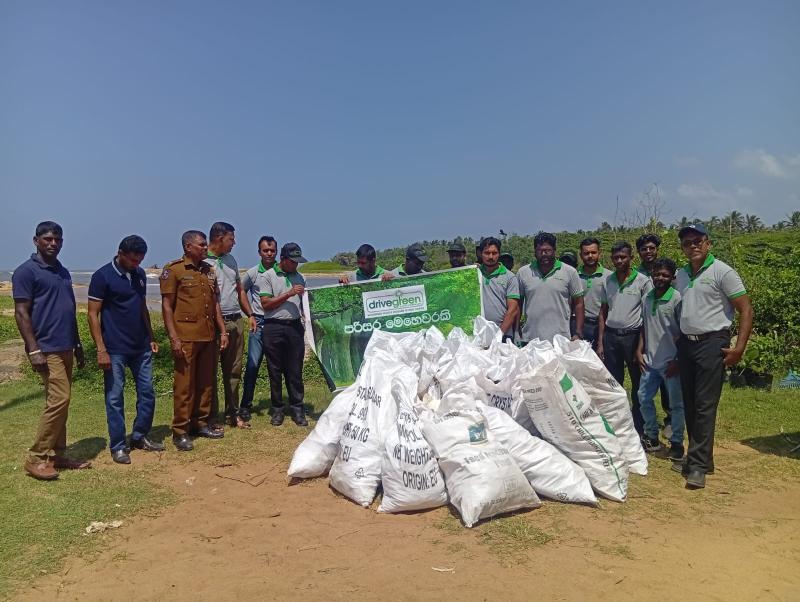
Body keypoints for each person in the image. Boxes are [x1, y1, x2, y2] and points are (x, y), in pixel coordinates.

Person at [674, 224, 753, 489]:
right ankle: (701, 459)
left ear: (708, 243)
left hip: (712, 343)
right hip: (687, 345)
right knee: (690, 403)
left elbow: (745, 308)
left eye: (697, 241)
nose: (693, 246)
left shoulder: (722, 271)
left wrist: (739, 347)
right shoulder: (681, 274)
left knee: (705, 405)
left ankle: (696, 466)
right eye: (687, 243)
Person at [12, 221, 89, 480]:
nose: (52, 243)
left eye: (57, 239)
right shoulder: (26, 272)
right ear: (36, 241)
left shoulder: (63, 272)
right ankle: (37, 457)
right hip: (47, 348)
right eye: (47, 239)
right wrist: (33, 350)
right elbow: (21, 313)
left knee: (62, 402)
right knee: (59, 399)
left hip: (66, 345)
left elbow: (68, 310)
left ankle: (58, 453)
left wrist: (78, 345)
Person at [87, 235, 163, 464]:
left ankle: (140, 436)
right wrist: (101, 349)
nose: (136, 264)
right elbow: (93, 314)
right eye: (132, 259)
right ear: (120, 253)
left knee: (148, 392)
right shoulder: (102, 276)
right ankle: (119, 446)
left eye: (140, 260)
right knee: (114, 397)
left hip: (140, 347)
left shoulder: (139, 274)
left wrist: (151, 337)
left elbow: (142, 308)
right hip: (115, 349)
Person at [160, 230, 227, 451]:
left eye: (205, 244)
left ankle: (200, 423)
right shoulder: (174, 270)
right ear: (188, 247)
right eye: (201, 245)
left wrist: (223, 331)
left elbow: (215, 303)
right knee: (184, 386)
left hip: (208, 336)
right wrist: (174, 338)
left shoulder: (208, 271)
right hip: (186, 337)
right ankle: (180, 430)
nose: (205, 248)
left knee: (206, 383)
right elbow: (167, 307)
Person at [205, 222, 258, 430]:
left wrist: (250, 314)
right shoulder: (202, 261)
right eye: (231, 239)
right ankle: (212, 417)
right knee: (210, 372)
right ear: (219, 238)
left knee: (234, 371)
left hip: (235, 320)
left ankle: (233, 414)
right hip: (213, 323)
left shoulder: (231, 260)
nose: (234, 242)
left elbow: (240, 290)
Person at [597, 241, 652, 436]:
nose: (619, 261)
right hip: (611, 337)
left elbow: (648, 315)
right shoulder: (608, 281)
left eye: (623, 257)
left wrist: (641, 347)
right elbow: (603, 312)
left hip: (633, 337)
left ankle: (639, 426)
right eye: (615, 258)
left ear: (631, 258)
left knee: (639, 385)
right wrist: (601, 341)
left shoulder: (643, 281)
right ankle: (619, 425)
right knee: (614, 384)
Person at [635, 258, 685, 460]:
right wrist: (639, 351)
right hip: (650, 361)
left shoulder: (677, 299)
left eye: (665, 275)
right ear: (652, 275)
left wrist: (678, 359)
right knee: (643, 398)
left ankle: (677, 443)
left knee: (676, 405)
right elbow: (644, 327)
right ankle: (652, 437)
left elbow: (684, 331)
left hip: (671, 362)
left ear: (672, 277)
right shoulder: (647, 298)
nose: (660, 278)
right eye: (657, 274)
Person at [260, 243, 308, 427]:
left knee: (295, 370)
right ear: (284, 260)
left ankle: (297, 408)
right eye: (293, 262)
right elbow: (266, 304)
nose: (296, 265)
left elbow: (305, 303)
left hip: (294, 327)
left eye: (298, 262)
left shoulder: (301, 277)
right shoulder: (268, 276)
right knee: (275, 370)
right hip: (274, 326)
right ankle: (277, 409)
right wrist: (288, 294)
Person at [517, 232, 584, 344]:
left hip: (561, 340)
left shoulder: (570, 272)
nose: (544, 254)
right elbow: (518, 304)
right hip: (530, 340)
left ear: (554, 250)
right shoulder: (523, 272)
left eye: (548, 250)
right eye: (540, 250)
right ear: (534, 251)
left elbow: (579, 303)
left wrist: (578, 332)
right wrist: (516, 330)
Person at [636, 233, 673, 434]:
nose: (648, 252)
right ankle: (648, 424)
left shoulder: (667, 270)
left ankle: (670, 419)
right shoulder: (637, 274)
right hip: (647, 331)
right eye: (644, 249)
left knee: (669, 385)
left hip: (667, 335)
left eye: (651, 248)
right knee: (646, 386)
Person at [239, 235, 278, 421]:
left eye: (272, 250)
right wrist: (250, 314)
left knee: (276, 367)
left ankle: (277, 406)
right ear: (259, 252)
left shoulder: (282, 271)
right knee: (253, 365)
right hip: (259, 324)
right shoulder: (253, 273)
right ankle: (245, 405)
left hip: (277, 323)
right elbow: (241, 291)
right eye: (265, 250)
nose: (269, 254)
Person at [477, 237, 520, 342]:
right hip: (477, 334)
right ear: (480, 254)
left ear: (499, 254)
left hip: (503, 335)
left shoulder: (510, 277)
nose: (491, 256)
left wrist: (498, 335)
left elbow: (513, 310)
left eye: (494, 253)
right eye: (487, 253)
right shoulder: (474, 274)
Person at [577, 237, 612, 348]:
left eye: (593, 252)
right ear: (581, 255)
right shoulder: (574, 276)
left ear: (599, 253)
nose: (590, 256)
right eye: (586, 253)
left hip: (603, 327)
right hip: (580, 326)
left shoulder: (610, 277)